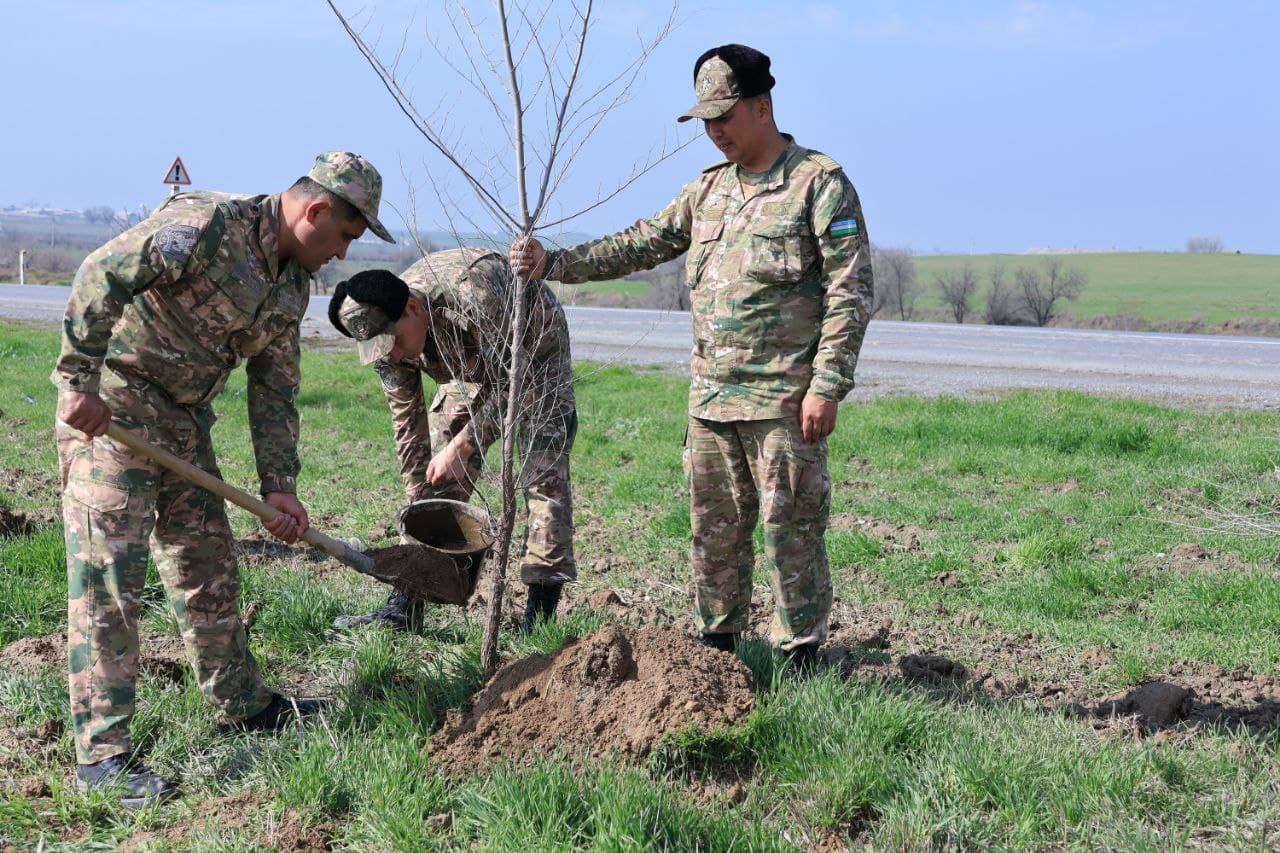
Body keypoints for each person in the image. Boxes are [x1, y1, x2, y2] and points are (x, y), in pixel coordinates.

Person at [510, 44, 873, 668]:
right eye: (706, 121)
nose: (714, 132)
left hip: (784, 400)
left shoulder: (818, 183)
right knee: (714, 534)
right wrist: (556, 263)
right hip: (711, 400)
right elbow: (641, 243)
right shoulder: (706, 192)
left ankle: (802, 658)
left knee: (792, 531)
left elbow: (851, 292)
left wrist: (827, 385)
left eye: (725, 117)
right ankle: (718, 656)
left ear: (763, 107)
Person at [54, 151, 395, 806]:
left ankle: (243, 703)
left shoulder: (293, 284)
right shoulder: (208, 225)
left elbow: (275, 385)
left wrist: (279, 484)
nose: (341, 253)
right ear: (315, 210)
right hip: (113, 410)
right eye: (345, 236)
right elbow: (102, 272)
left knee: (207, 564)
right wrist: (77, 380)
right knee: (110, 576)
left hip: (182, 422)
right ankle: (102, 755)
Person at [327, 247, 576, 633]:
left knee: (542, 474)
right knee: (437, 479)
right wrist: (420, 504)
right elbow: (406, 424)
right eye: (380, 350)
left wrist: (465, 445)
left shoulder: (474, 291)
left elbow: (518, 380)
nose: (391, 357)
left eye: (394, 343)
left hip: (534, 354)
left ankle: (539, 620)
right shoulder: (384, 337)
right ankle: (404, 607)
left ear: (411, 308)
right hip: (463, 362)